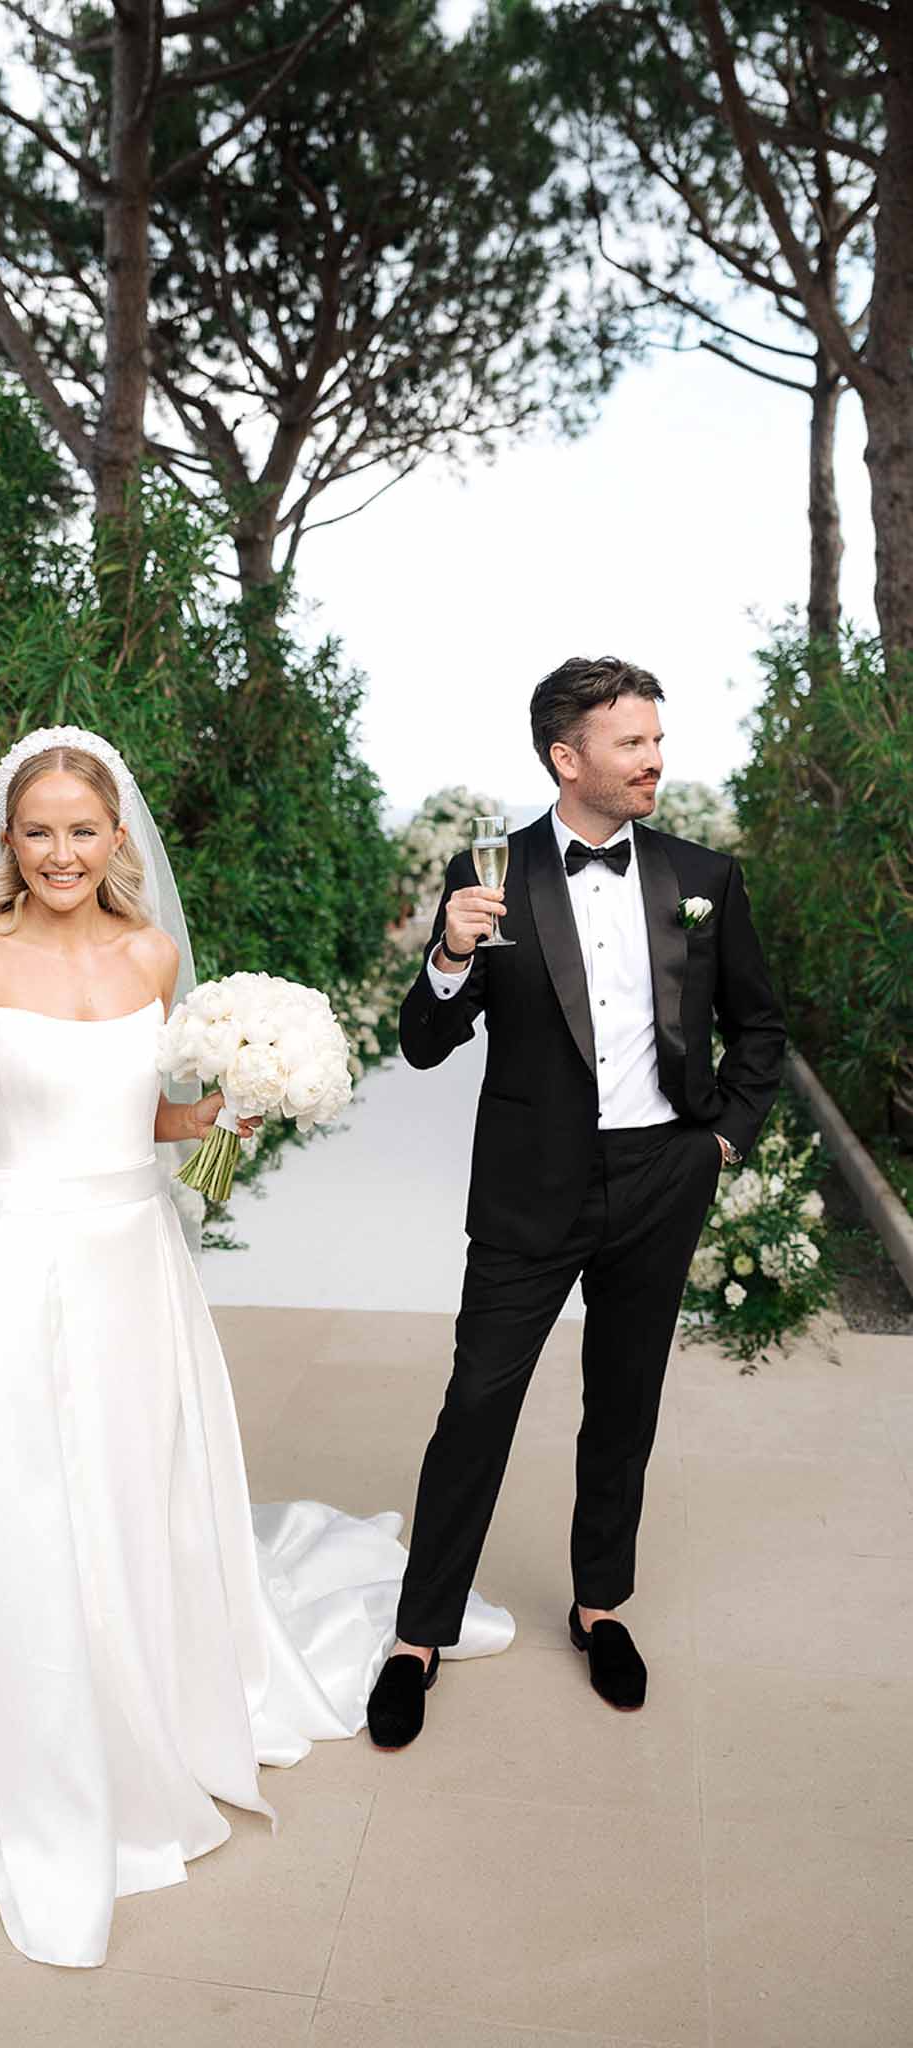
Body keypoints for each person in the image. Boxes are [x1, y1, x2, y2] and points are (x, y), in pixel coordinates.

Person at [0, 725, 514, 1968]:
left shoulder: (154, 953)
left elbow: (161, 1118)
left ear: (115, 836)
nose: (61, 852)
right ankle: (32, 1724)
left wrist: (241, 1109)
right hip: (21, 1262)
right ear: (9, 838)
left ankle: (145, 1680)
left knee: (134, 1483)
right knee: (27, 1493)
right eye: (39, 831)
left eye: (82, 830)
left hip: (136, 1260)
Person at [366, 658, 785, 1750]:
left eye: (656, 739)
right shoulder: (489, 872)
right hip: (529, 1188)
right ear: (567, 757)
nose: (654, 760)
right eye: (631, 742)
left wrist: (721, 1141)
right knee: (475, 1405)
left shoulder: (703, 875)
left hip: (661, 1178)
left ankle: (600, 1606)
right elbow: (422, 1043)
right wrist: (451, 950)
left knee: (625, 1402)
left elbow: (760, 1026)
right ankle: (418, 1635)